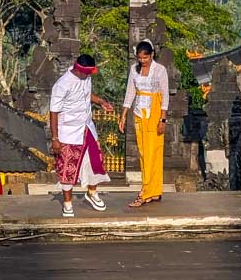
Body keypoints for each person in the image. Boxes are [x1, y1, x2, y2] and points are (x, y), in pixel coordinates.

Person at [49, 53, 114, 218]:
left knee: (95, 161)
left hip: (86, 127)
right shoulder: (62, 85)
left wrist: (101, 102)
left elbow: (86, 95)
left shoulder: (86, 78)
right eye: (88, 73)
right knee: (67, 168)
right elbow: (54, 112)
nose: (89, 76)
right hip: (68, 132)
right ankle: (67, 204)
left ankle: (91, 193)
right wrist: (55, 138)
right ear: (80, 70)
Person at [119, 39, 169, 207]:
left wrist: (163, 119)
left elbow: (165, 96)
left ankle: (147, 191)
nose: (143, 61)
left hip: (155, 114)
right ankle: (153, 190)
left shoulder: (160, 70)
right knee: (143, 152)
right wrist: (123, 115)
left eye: (145, 58)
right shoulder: (135, 70)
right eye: (140, 58)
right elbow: (130, 92)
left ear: (151, 55)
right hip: (139, 114)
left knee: (153, 152)